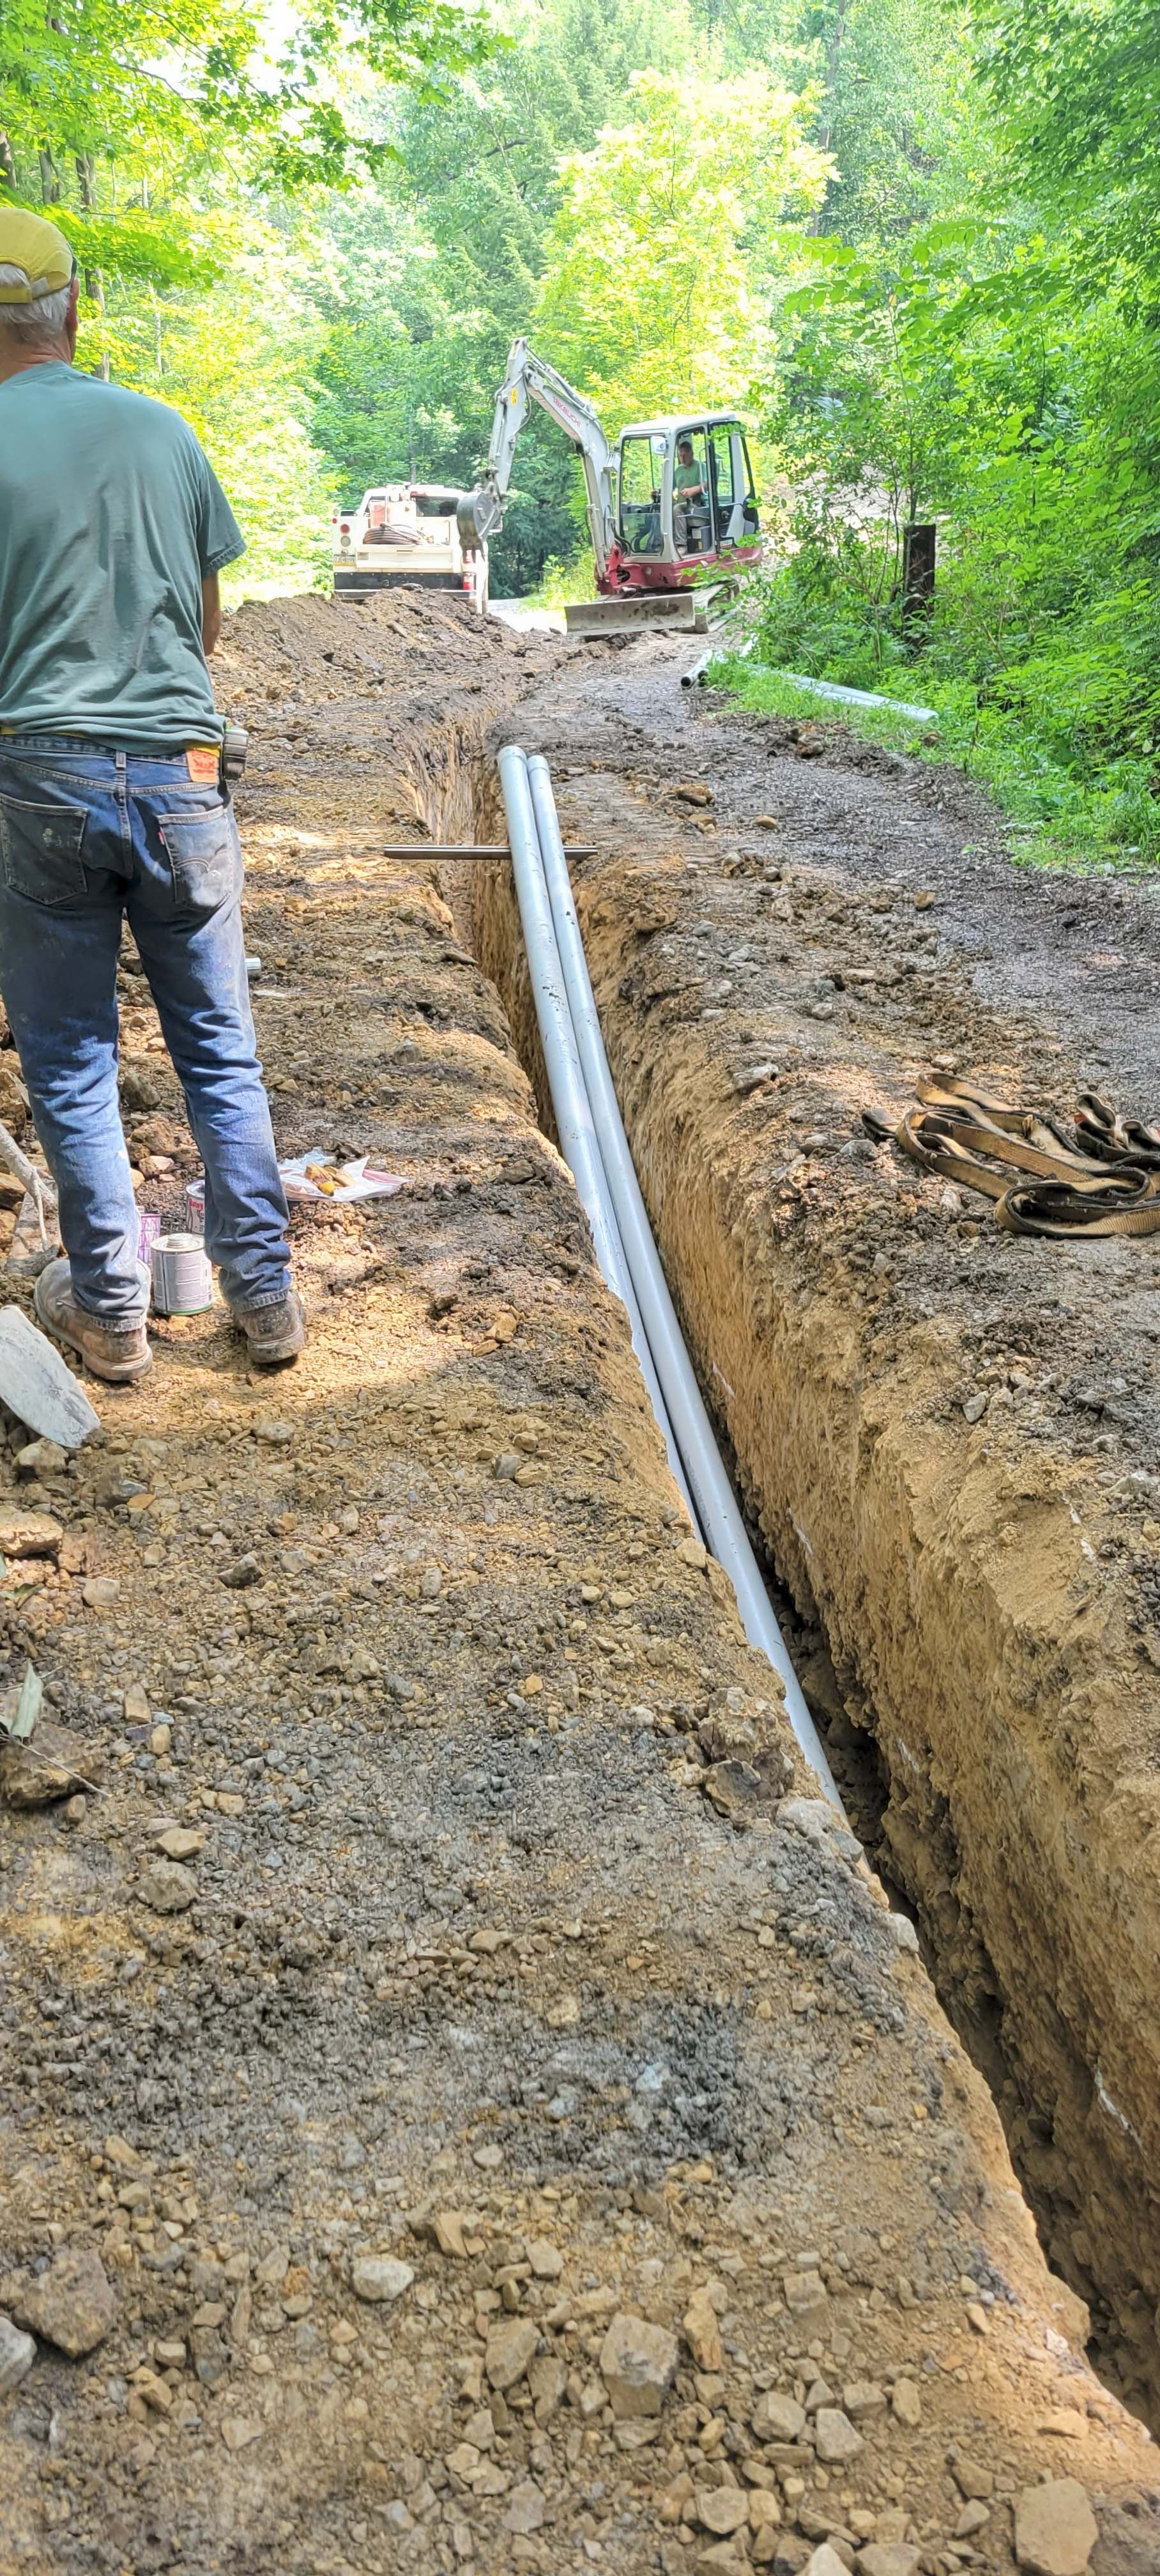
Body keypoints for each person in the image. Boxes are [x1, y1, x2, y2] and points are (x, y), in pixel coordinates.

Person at [0, 207, 303, 1384]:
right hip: (184, 773)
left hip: (39, 781)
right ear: (73, 313)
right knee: (220, 1049)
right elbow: (207, 629)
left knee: (72, 1056)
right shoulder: (164, 433)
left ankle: (114, 1315)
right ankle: (267, 1300)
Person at [673, 436, 707, 553]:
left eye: (685, 455)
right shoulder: (678, 470)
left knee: (677, 509)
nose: (682, 458)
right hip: (682, 501)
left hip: (697, 502)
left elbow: (707, 484)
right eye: (680, 455)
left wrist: (694, 490)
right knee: (662, 509)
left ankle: (681, 544)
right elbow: (670, 487)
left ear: (691, 454)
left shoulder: (700, 467)